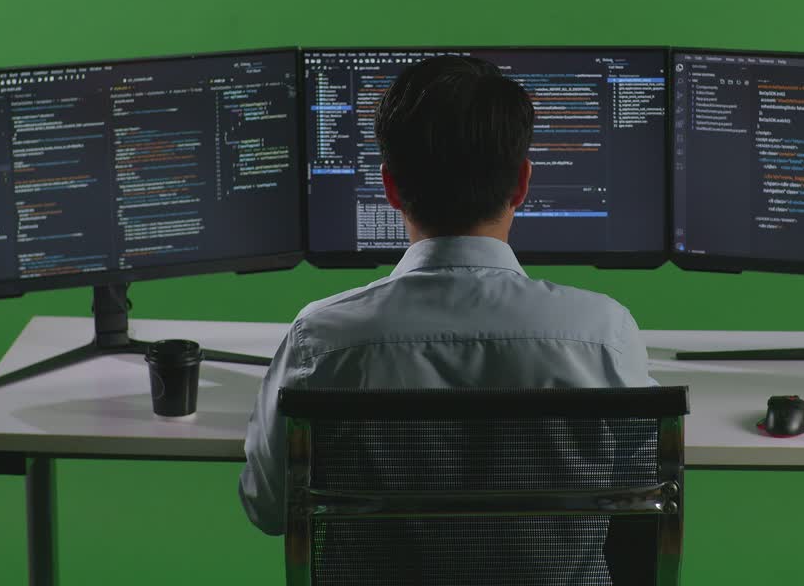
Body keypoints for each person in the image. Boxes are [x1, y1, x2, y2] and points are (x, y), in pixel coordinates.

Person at [239, 55, 655, 553]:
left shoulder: (322, 339)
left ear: (390, 187)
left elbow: (268, 508)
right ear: (522, 183)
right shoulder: (603, 333)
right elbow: (642, 496)